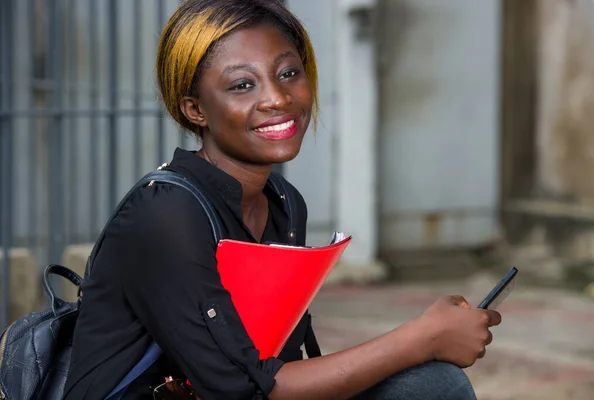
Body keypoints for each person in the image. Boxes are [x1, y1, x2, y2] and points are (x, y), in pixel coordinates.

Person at [64, 0, 502, 399]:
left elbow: (280, 364)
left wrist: (431, 338)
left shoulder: (283, 202)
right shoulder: (166, 216)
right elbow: (248, 390)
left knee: (430, 386)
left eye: (288, 73)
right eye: (242, 85)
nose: (277, 98)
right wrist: (421, 337)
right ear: (195, 109)